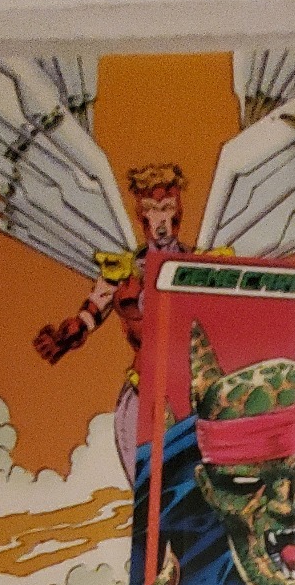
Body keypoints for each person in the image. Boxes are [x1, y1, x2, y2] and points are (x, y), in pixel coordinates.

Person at [33, 162, 187, 481]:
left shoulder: (202, 266)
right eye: (152, 209)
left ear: (178, 210)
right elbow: (89, 314)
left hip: (190, 395)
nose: (160, 220)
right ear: (141, 213)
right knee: (142, 483)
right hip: (141, 391)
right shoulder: (121, 272)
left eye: (167, 208)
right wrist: (66, 336)